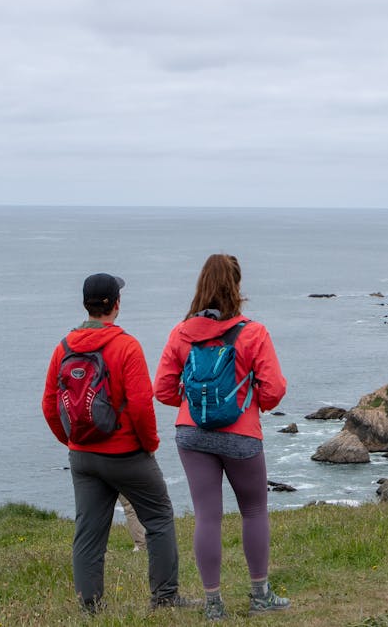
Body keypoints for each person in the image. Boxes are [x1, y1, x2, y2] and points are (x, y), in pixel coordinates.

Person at [41, 273, 199, 613]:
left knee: (88, 533)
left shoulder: (63, 347)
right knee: (158, 518)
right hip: (126, 453)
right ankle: (165, 598)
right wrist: (149, 445)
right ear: (116, 304)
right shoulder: (126, 346)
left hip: (83, 456)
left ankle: (90, 607)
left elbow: (49, 404)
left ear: (85, 304)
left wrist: (72, 442)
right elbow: (142, 406)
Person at [154, 254, 289, 620]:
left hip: (192, 433)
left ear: (201, 286)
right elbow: (274, 390)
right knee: (254, 510)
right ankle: (260, 595)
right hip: (241, 434)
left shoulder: (181, 333)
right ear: (237, 286)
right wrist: (249, 401)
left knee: (207, 516)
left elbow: (163, 390)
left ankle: (213, 603)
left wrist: (191, 401)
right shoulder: (253, 332)